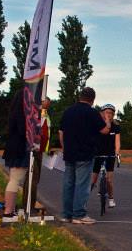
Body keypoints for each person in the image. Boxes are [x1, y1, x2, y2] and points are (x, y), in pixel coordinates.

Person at [58, 87, 109, 224]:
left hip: (69, 153)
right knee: (82, 185)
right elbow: (104, 130)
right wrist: (107, 119)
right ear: (92, 100)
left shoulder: (68, 111)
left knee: (68, 184)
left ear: (80, 96)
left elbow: (61, 132)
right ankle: (79, 214)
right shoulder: (92, 113)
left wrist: (64, 147)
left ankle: (66, 214)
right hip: (85, 153)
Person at [2, 94, 30, 218]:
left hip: (11, 148)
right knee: (15, 180)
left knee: (13, 178)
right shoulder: (22, 116)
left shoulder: (12, 114)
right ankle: (8, 210)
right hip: (20, 149)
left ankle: (10, 208)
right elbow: (25, 132)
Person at [91, 104, 121, 209]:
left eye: (112, 113)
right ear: (102, 113)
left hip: (110, 154)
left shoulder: (116, 126)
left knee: (109, 180)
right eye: (107, 112)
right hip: (97, 153)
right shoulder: (97, 124)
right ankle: (84, 199)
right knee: (92, 180)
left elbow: (117, 142)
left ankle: (111, 198)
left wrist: (117, 153)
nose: (110, 115)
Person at [28, 97, 52, 215]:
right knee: (32, 178)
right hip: (35, 149)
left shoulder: (46, 115)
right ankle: (29, 205)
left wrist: (47, 149)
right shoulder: (36, 114)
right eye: (45, 105)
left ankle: (31, 204)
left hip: (41, 150)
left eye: (48, 105)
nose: (46, 107)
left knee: (36, 179)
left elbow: (46, 133)